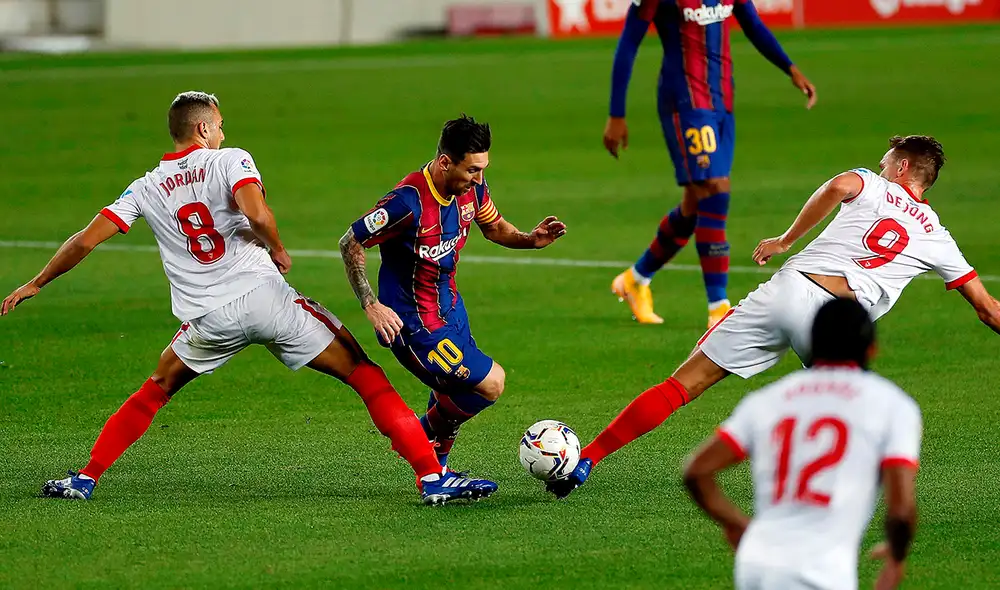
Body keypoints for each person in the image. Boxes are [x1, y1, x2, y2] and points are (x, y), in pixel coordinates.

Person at [1, 91, 488, 505]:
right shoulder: (230, 159)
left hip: (207, 318)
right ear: (206, 127)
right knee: (364, 375)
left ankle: (85, 479)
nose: (222, 132)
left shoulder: (145, 187)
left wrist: (37, 282)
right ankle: (432, 478)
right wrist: (276, 246)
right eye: (220, 125)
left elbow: (85, 239)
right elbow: (255, 210)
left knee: (156, 388)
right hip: (266, 300)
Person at [550, 135, 1000, 498]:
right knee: (846, 405)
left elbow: (839, 186)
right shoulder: (938, 236)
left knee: (681, 386)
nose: (880, 167)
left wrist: (786, 238)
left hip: (790, 289)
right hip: (836, 323)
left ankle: (587, 458)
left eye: (886, 163)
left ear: (901, 168)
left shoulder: (869, 182)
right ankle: (843, 487)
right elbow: (986, 308)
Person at [339, 115, 566, 495]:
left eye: (483, 169)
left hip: (451, 310)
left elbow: (493, 227)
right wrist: (371, 304)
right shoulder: (406, 202)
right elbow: (350, 241)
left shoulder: (471, 190)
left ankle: (436, 476)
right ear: (446, 162)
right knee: (490, 384)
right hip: (413, 325)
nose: (478, 178)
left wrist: (530, 239)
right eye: (472, 170)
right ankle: (419, 436)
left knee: (453, 392)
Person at [604, 0, 817, 328]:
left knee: (694, 204)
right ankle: (719, 308)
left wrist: (790, 68)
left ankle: (635, 279)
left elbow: (753, 24)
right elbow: (628, 42)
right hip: (685, 102)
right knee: (716, 190)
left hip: (722, 100)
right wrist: (616, 114)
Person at [683, 298, 919, 590]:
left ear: (813, 344)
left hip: (755, 564)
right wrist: (896, 559)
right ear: (872, 349)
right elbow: (900, 511)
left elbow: (697, 471)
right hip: (819, 571)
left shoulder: (769, 399)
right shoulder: (891, 405)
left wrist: (737, 524)